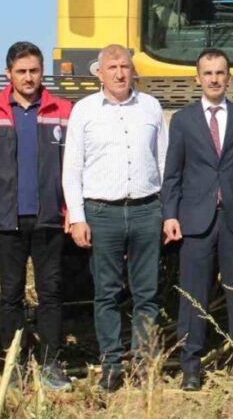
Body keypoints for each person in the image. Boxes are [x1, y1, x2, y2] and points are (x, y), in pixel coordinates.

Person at [161, 48, 233, 390]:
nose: (214, 79)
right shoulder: (182, 120)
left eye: (220, 73)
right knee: (193, 296)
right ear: (197, 78)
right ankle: (191, 365)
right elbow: (173, 174)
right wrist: (170, 215)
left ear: (228, 78)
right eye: (207, 73)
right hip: (195, 220)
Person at [62, 44, 167, 391]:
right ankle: (111, 363)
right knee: (106, 293)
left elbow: (163, 163)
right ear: (100, 73)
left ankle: (143, 363)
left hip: (146, 209)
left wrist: (166, 211)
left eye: (125, 66)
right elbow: (72, 168)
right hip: (102, 212)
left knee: (146, 293)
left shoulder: (151, 107)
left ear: (132, 70)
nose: (120, 73)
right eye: (113, 67)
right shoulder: (84, 111)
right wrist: (77, 216)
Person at [0, 41, 72, 390]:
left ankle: (50, 364)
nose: (29, 77)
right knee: (11, 295)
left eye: (34, 70)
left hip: (49, 218)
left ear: (42, 71)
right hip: (8, 222)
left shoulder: (63, 110)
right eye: (21, 71)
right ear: (8, 74)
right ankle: (14, 366)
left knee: (50, 294)